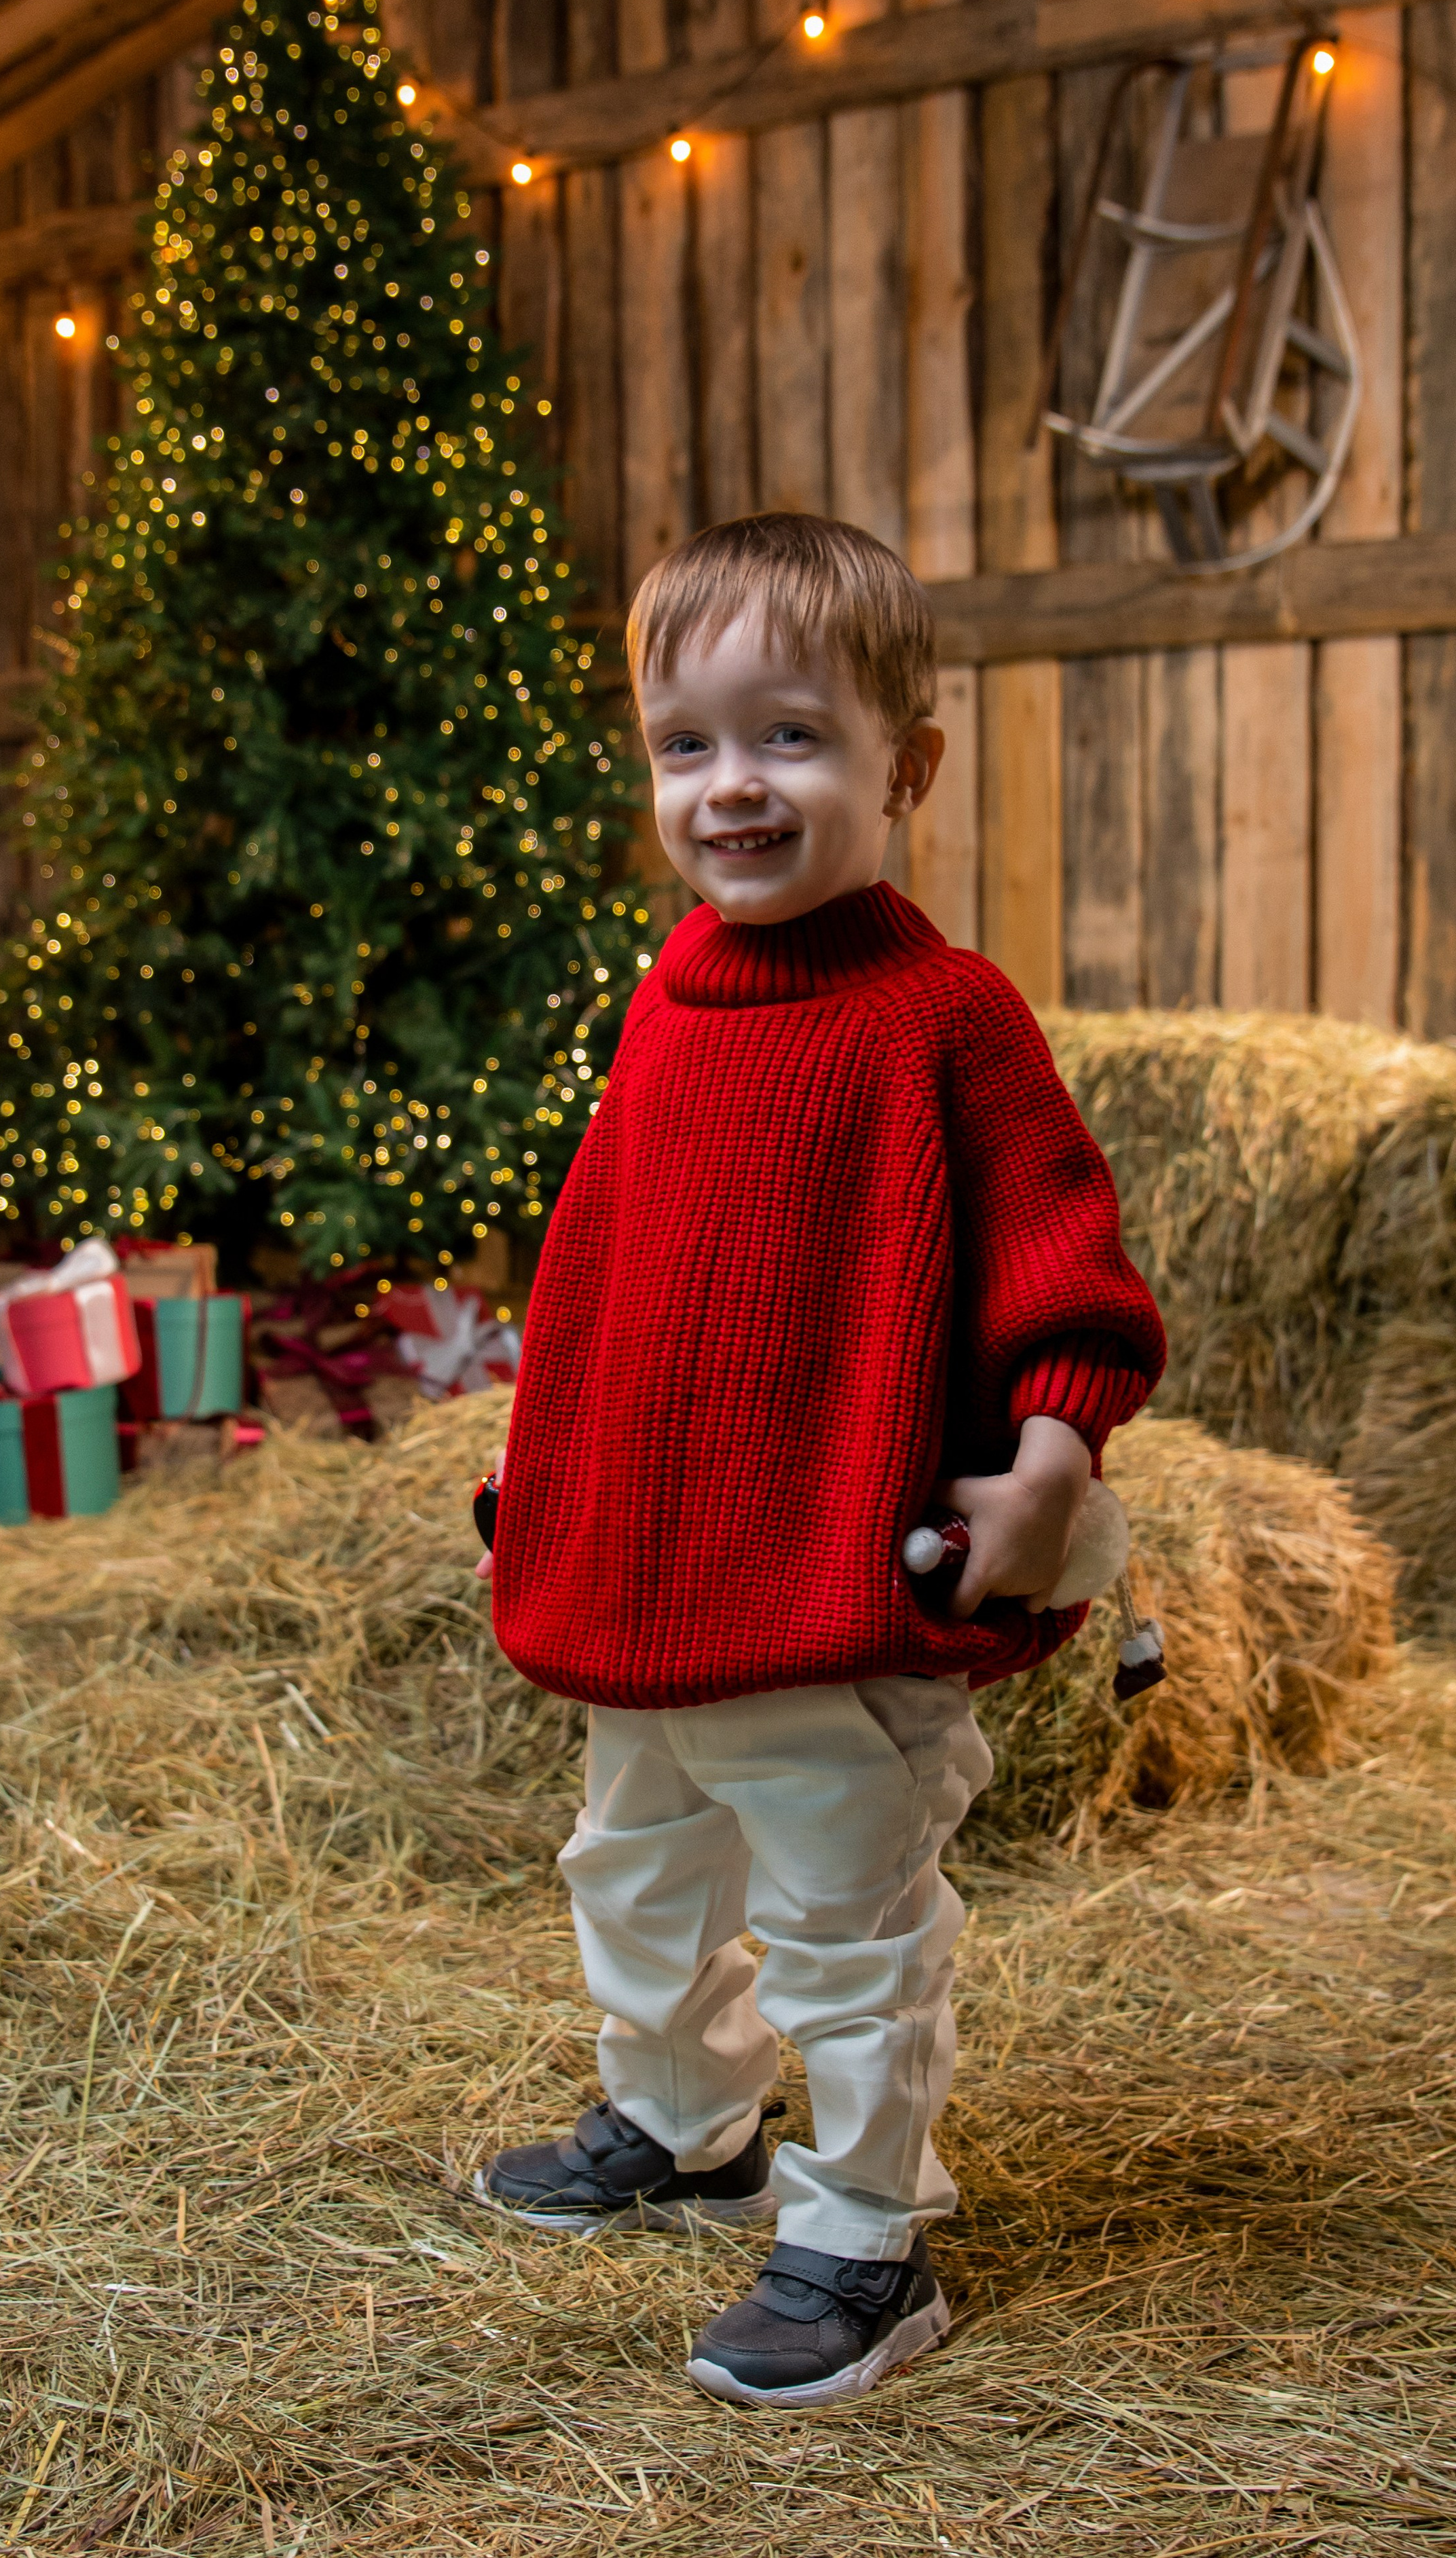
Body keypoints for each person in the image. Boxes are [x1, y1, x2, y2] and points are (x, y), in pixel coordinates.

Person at [471, 513, 1165, 2411]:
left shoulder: (944, 1017)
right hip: (659, 1579)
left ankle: (865, 2233)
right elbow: (607, 1282)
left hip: (839, 1574)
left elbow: (1066, 1268)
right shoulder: (672, 998)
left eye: (787, 737)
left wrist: (1045, 1463)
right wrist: (544, 1489)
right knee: (636, 1868)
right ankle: (682, 2115)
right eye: (686, 746)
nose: (732, 787)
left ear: (903, 766)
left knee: (846, 1911)